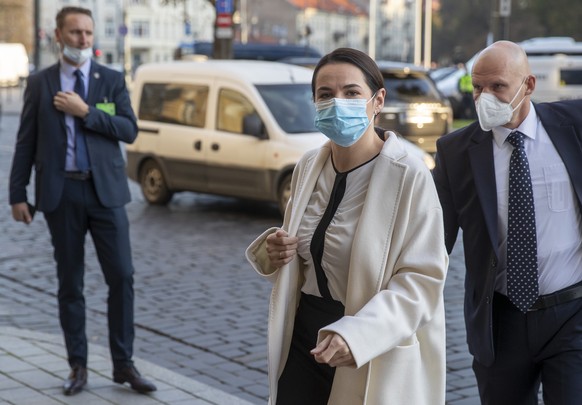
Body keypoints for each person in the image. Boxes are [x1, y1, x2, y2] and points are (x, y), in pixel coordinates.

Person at [246, 47, 448, 405]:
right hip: (306, 336)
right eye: (326, 94)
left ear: (378, 100)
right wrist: (276, 250)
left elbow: (422, 280)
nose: (338, 103)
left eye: (352, 93)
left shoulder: (410, 174)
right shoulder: (310, 164)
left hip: (368, 342)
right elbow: (305, 245)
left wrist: (358, 336)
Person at [8, 6, 156, 396]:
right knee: (69, 282)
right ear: (58, 35)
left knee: (121, 276)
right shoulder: (41, 83)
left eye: (88, 33)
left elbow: (129, 130)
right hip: (62, 193)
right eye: (75, 33)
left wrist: (86, 112)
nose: (83, 40)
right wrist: (17, 194)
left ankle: (123, 365)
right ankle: (78, 366)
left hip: (105, 193)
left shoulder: (110, 80)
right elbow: (25, 142)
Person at [433, 40, 582, 404]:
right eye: (478, 88)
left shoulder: (574, 125)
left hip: (572, 315)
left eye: (498, 86)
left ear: (528, 85)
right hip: (501, 322)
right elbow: (433, 239)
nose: (486, 97)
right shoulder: (455, 152)